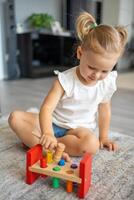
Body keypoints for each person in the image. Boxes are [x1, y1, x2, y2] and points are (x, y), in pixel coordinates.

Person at [8, 12, 127, 161]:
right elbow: (47, 109)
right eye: (91, 67)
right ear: (80, 53)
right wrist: (48, 133)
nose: (96, 76)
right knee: (15, 118)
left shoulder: (106, 82)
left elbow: (104, 110)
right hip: (53, 123)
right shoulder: (64, 80)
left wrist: (103, 137)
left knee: (92, 145)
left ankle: (46, 147)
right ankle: (48, 147)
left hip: (78, 131)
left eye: (104, 70)